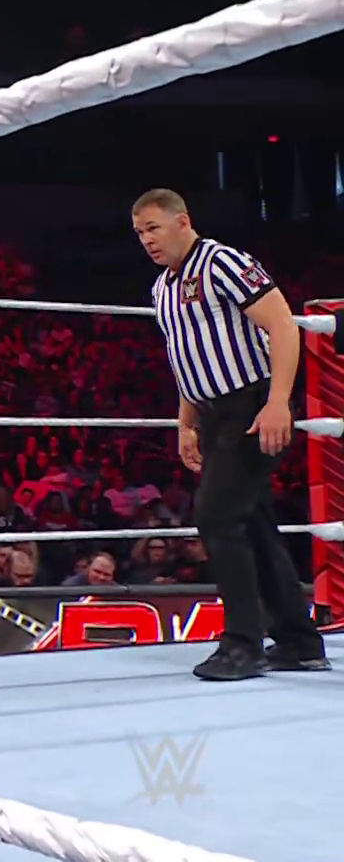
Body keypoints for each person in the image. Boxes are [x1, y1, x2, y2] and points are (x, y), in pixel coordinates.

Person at [134, 187, 328, 680]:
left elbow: (282, 325)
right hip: (213, 413)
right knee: (252, 522)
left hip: (251, 402)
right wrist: (186, 422)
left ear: (182, 222)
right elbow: (185, 358)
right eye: (139, 233)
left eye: (153, 228)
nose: (147, 240)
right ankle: (298, 640)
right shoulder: (161, 289)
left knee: (217, 516)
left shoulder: (222, 262)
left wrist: (278, 401)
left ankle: (243, 643)